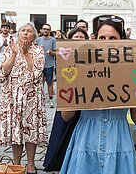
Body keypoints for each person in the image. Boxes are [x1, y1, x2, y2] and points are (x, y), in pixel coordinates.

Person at [60, 15, 136, 174]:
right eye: (102, 37)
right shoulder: (79, 66)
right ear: (94, 39)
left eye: (112, 37)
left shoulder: (132, 68)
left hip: (118, 138)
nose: (107, 41)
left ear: (121, 40)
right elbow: (66, 116)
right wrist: (70, 91)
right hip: (86, 137)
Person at [0, 23, 47, 174]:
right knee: (15, 130)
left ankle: (31, 164)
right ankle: (16, 163)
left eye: (29, 31)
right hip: (12, 96)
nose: (25, 33)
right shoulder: (9, 49)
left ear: (34, 36)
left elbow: (37, 73)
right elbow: (2, 73)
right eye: (23, 30)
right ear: (18, 34)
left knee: (30, 130)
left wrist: (25, 54)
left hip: (31, 96)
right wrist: (14, 54)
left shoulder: (38, 51)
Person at [43, 27, 88, 172]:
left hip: (85, 99)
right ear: (70, 39)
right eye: (76, 37)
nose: (79, 39)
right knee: (63, 129)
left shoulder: (91, 54)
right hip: (68, 98)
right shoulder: (64, 54)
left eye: (82, 37)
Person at [36, 23, 56, 108]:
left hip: (49, 65)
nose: (46, 30)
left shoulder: (53, 40)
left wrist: (51, 52)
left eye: (47, 29)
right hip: (39, 65)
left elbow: (56, 53)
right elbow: (34, 51)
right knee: (39, 83)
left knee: (49, 83)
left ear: (50, 31)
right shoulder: (38, 40)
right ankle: (39, 100)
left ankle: (51, 99)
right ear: (41, 30)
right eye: (44, 29)